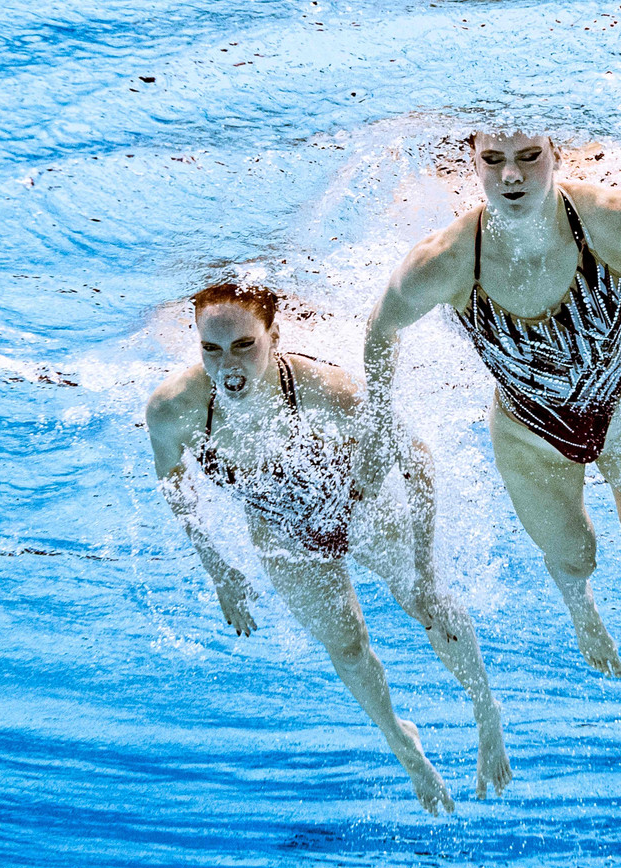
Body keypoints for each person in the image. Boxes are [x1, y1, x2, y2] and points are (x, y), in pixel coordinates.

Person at [359, 131, 621, 745]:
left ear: (556, 154)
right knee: (574, 554)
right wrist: (380, 432)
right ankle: (582, 611)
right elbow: (379, 335)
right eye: (493, 160)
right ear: (472, 163)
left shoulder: (617, 224)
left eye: (529, 157)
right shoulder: (447, 261)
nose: (511, 177)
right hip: (530, 438)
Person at [146, 281, 511, 813]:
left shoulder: (325, 391)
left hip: (357, 501)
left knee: (424, 603)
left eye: (244, 345)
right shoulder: (171, 411)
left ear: (273, 335)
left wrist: (427, 565)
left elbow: (417, 461)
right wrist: (219, 570)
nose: (228, 365)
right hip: (280, 528)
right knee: (345, 645)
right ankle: (403, 746)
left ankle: (486, 714)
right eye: (212, 348)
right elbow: (175, 489)